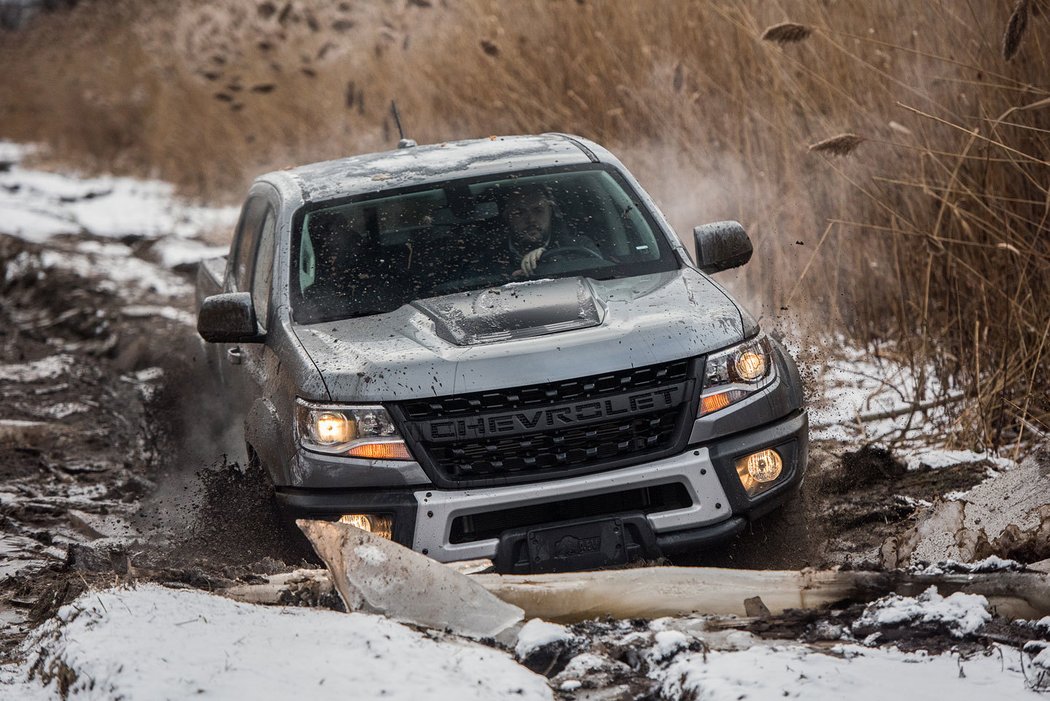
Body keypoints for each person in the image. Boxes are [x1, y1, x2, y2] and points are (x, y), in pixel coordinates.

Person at [495, 183, 601, 278]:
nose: (531, 219)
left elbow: (598, 274)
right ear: (507, 217)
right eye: (519, 213)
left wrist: (551, 258)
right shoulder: (491, 257)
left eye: (538, 210)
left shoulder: (580, 247)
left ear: (550, 212)